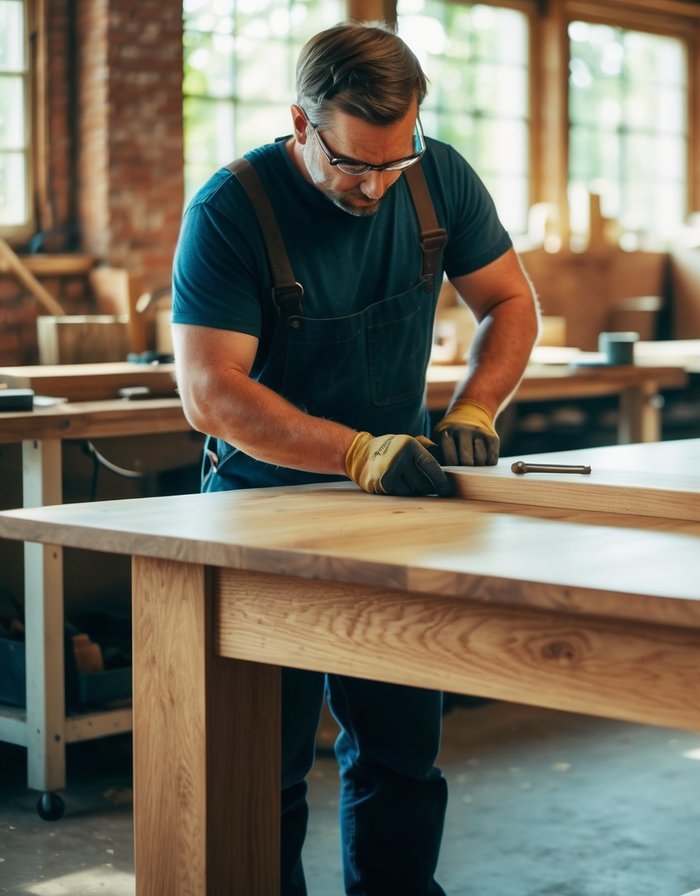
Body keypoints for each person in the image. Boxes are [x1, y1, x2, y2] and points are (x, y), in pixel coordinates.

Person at [170, 20, 540, 895]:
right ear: (301, 123)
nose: (374, 186)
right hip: (262, 512)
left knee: (402, 754)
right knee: (267, 767)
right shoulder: (232, 210)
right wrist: (352, 451)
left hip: (397, 501)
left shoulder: (438, 175)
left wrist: (477, 406)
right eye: (351, 165)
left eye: (393, 162)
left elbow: (510, 301)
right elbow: (210, 393)